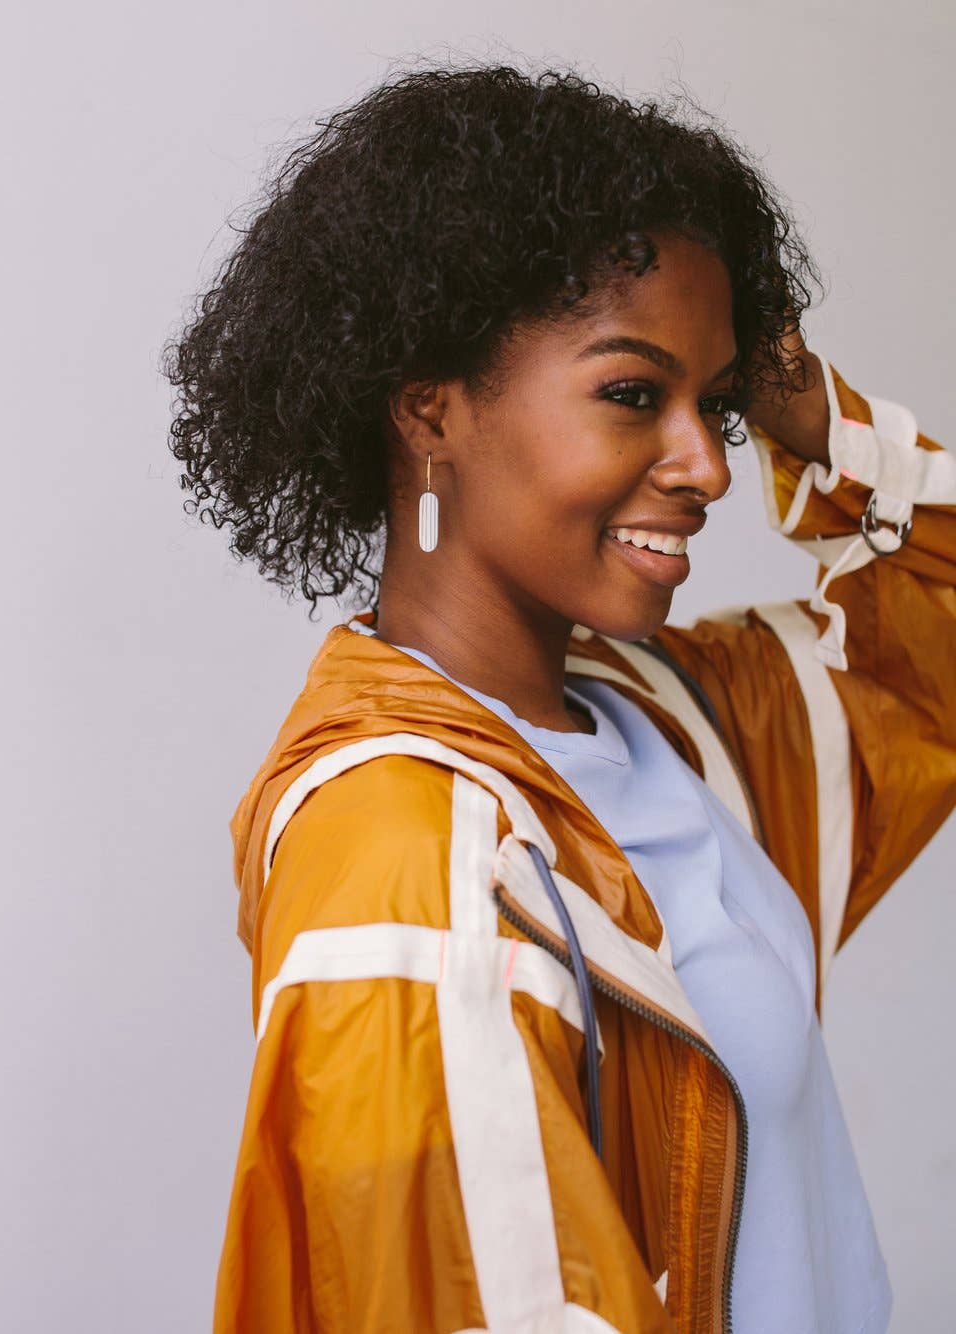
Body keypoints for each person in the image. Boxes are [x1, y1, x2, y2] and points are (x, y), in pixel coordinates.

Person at [163, 65, 955, 1334]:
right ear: (431, 406)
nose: (704, 463)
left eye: (718, 401)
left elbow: (938, 639)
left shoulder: (675, 726)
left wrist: (810, 414)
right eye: (634, 393)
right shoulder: (407, 855)